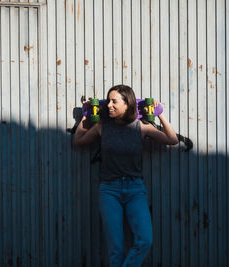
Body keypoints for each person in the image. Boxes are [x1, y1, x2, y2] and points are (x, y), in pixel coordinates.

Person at [73, 85, 178, 267]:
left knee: (145, 240)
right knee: (116, 248)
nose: (109, 105)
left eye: (115, 101)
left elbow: (172, 140)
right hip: (109, 191)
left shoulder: (141, 127)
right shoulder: (101, 127)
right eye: (109, 101)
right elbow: (79, 141)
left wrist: (160, 113)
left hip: (135, 190)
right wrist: (86, 114)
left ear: (127, 104)